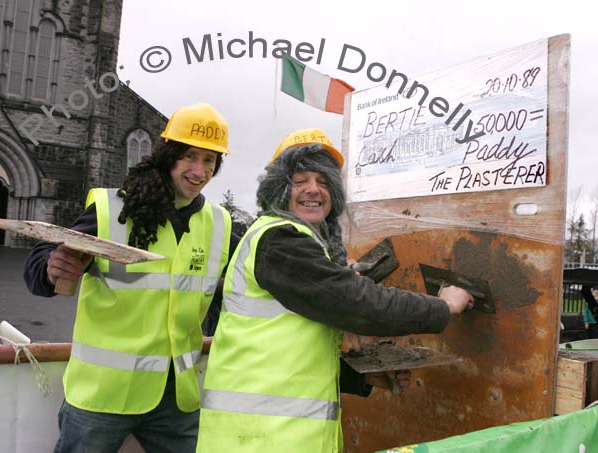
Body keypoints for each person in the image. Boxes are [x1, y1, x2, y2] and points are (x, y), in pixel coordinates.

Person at [196, 128, 473, 452]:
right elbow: (359, 305)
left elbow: (290, 346)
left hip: (274, 436)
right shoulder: (281, 240)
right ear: (279, 187)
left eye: (324, 180)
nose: (314, 190)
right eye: (300, 180)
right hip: (262, 441)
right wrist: (443, 306)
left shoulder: (297, 241)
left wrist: (361, 379)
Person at [23, 103, 236, 452]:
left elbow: (230, 290)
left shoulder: (220, 225)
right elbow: (42, 259)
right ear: (169, 156)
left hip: (176, 399)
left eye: (210, 161)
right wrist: (51, 269)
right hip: (102, 397)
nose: (199, 171)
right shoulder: (113, 210)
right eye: (191, 157)